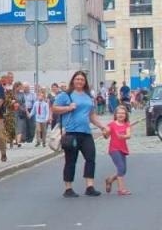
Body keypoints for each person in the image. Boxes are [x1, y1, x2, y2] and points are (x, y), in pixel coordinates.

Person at [52, 70, 108, 198]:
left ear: (85, 82)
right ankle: (68, 188)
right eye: (77, 79)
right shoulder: (66, 95)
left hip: (86, 132)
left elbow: (91, 114)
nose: (79, 81)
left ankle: (89, 186)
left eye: (82, 80)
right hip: (71, 132)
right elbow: (54, 108)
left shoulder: (88, 96)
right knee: (71, 161)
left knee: (90, 158)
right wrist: (68, 108)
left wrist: (102, 126)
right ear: (73, 81)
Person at [104, 105, 133, 195]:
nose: (121, 115)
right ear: (115, 114)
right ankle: (121, 189)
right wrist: (105, 133)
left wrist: (122, 136)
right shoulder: (112, 124)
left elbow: (128, 135)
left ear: (126, 115)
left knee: (123, 170)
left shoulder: (127, 124)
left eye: (123, 113)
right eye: (119, 113)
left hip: (123, 149)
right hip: (114, 149)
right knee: (120, 167)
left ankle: (110, 179)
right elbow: (106, 135)